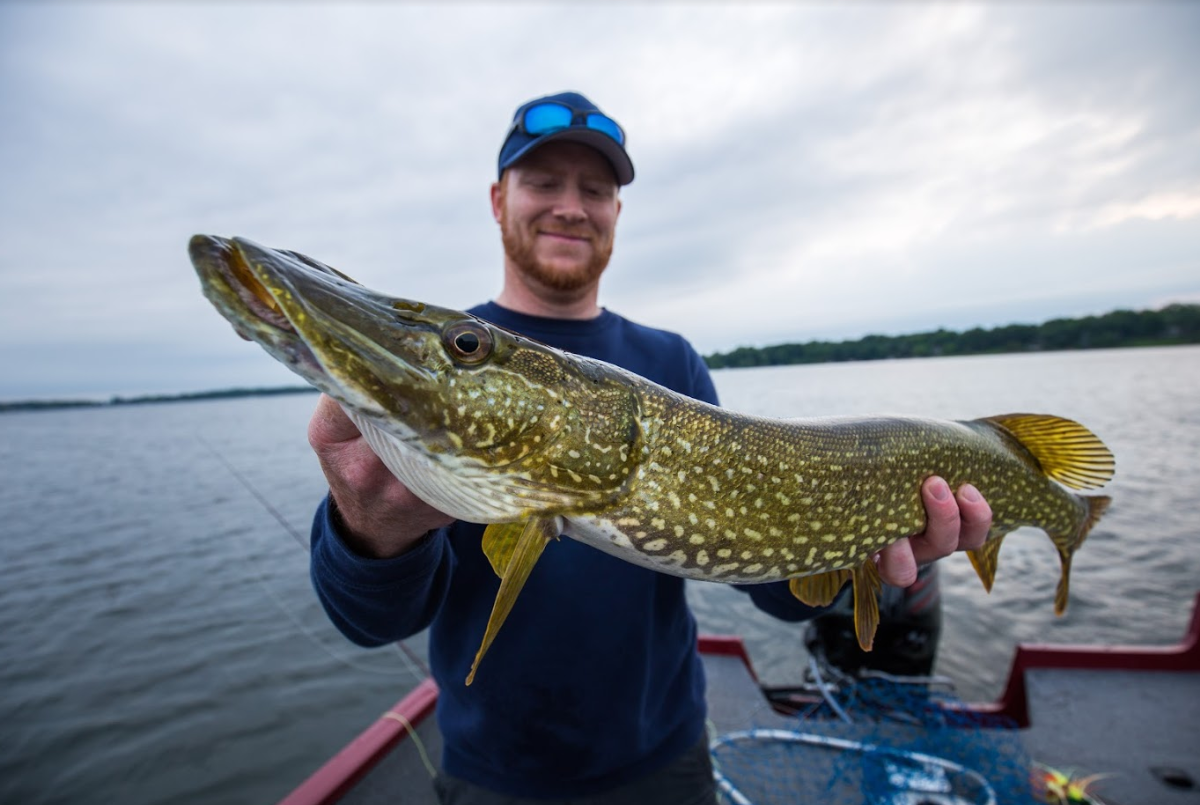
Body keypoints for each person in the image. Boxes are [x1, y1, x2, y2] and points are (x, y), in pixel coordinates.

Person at [307, 91, 992, 805]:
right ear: (496, 199)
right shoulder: (447, 363)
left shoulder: (671, 362)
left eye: (595, 189)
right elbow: (369, 620)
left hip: (664, 757)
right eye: (543, 181)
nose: (571, 205)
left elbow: (769, 580)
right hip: (494, 773)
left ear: (615, 213)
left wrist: (865, 557)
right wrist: (370, 527)